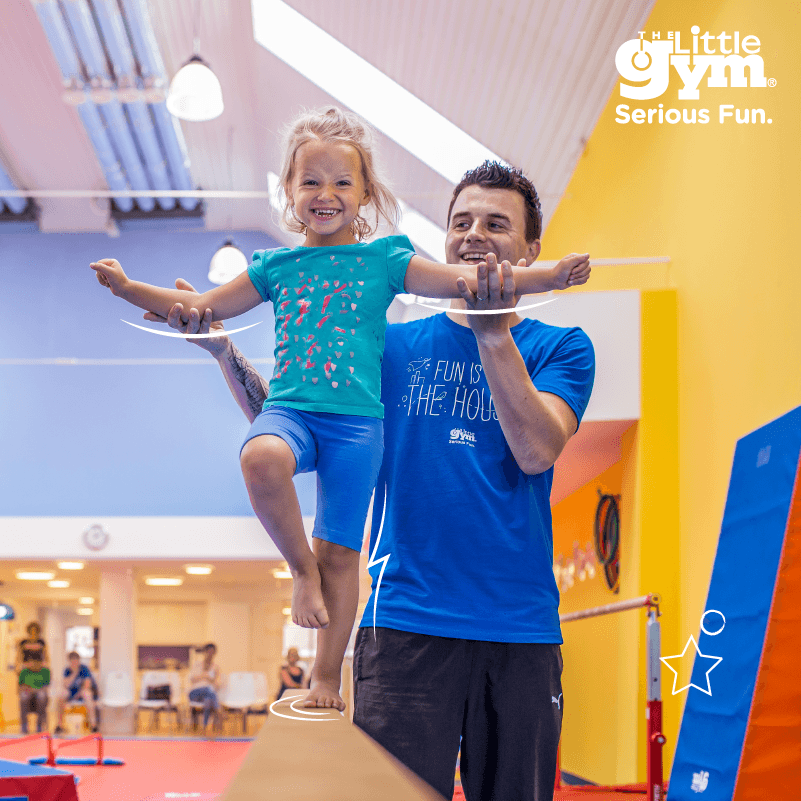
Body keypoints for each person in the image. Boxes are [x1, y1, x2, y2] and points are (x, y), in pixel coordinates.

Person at [92, 108, 590, 715]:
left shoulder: (560, 347)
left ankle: (324, 657)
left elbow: (536, 448)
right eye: (461, 222)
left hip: (516, 623)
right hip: (404, 617)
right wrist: (210, 343)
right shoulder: (384, 341)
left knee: (339, 553)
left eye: (496, 223)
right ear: (288, 190)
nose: (474, 236)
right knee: (271, 469)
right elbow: (247, 362)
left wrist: (549, 279)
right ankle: (307, 593)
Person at [55, 651, 98, 734]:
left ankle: (93, 726)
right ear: (69, 661)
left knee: (87, 694)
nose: (74, 663)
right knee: (61, 695)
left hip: (82, 693)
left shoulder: (84, 669)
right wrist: (74, 673)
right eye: (72, 661)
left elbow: (87, 685)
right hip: (72, 693)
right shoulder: (67, 670)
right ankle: (59, 726)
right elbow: (65, 685)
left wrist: (79, 694)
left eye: (76, 660)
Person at [188, 643, 222, 731]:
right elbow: (191, 679)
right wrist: (204, 676)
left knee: (208, 700)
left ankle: (204, 726)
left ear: (214, 654)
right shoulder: (196, 664)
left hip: (208, 693)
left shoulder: (216, 668)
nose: (210, 654)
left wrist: (211, 680)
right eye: (208, 652)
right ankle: (218, 710)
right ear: (204, 652)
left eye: (212, 652)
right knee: (208, 690)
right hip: (195, 693)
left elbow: (218, 685)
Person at [18, 655, 50, 733]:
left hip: (40, 697)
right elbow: (20, 687)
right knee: (23, 695)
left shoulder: (45, 671)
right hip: (28, 696)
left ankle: (39, 725)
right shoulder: (24, 672)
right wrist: (29, 690)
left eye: (36, 662)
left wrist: (33, 690)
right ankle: (24, 725)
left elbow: (46, 688)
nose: (33, 664)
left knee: (41, 695)